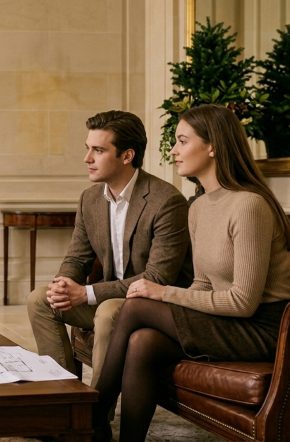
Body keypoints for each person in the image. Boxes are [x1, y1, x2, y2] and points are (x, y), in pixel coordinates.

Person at [89, 104, 290, 442]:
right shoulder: (198, 206)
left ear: (212, 146)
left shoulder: (249, 205)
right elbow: (202, 283)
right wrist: (166, 296)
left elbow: (243, 302)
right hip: (227, 321)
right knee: (143, 342)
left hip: (262, 327)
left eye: (182, 141)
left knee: (137, 305)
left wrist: (163, 293)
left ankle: (92, 415)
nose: (173, 150)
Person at [27, 110, 193, 392]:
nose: (87, 158)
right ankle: (65, 397)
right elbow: (76, 258)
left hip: (153, 305)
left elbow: (157, 277)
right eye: (88, 148)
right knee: (39, 300)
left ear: (127, 156)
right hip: (109, 297)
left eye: (98, 150)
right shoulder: (90, 199)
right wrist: (63, 284)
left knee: (106, 311)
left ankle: (96, 410)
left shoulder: (166, 201)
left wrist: (86, 293)